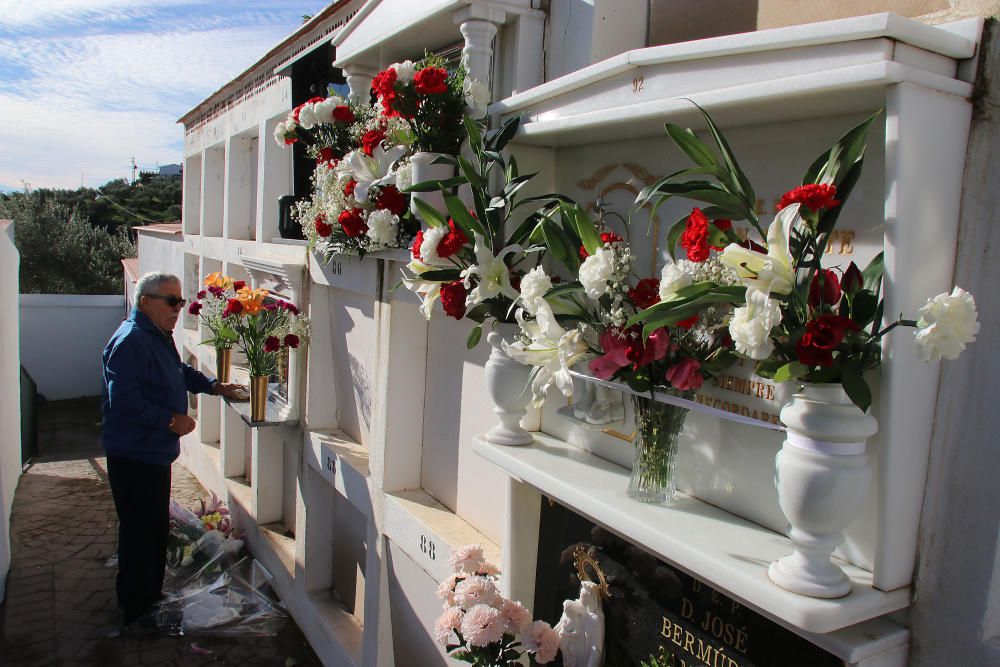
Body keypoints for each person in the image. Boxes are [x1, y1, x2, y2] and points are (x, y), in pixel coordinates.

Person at [101, 271, 242, 627]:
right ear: (145, 301)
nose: (178, 308)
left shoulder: (155, 335)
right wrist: (170, 420)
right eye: (171, 301)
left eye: (180, 301)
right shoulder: (132, 339)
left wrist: (213, 386)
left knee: (152, 530)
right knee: (139, 533)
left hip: (151, 453)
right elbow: (124, 400)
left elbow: (176, 371)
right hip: (134, 454)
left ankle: (149, 596)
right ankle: (135, 609)